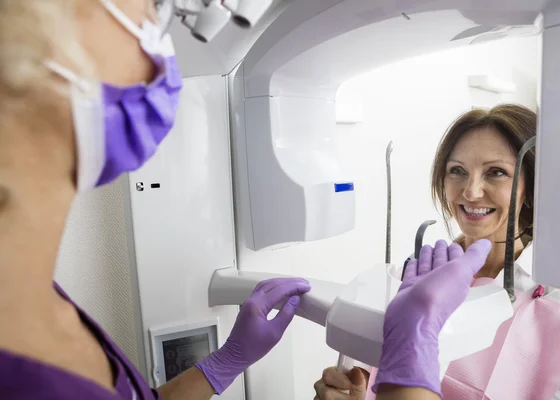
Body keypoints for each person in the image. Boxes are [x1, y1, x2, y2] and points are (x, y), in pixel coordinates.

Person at [0, 1, 493, 399]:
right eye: (147, 5)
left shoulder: (31, 293)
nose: (162, 21)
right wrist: (410, 355)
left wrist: (220, 366)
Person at [314, 104, 560, 399]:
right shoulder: (409, 281)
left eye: (497, 172)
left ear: (533, 187)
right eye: (457, 171)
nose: (471, 191)